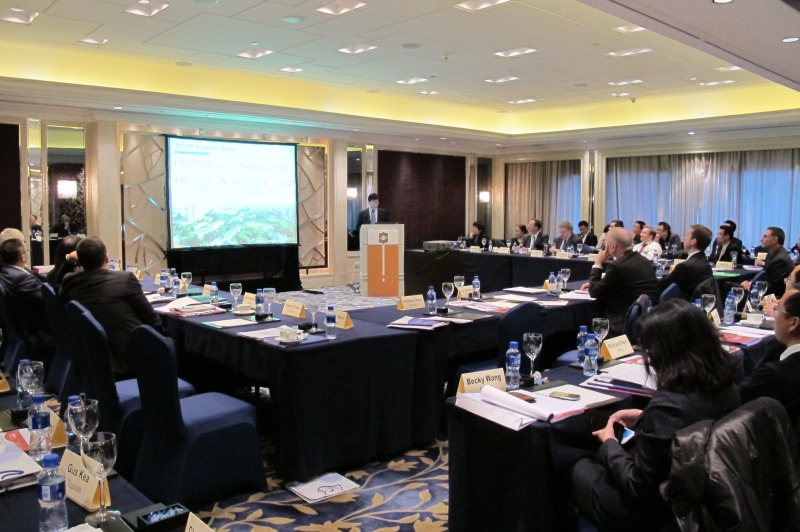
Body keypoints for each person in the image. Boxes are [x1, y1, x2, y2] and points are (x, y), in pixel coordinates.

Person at [570, 299, 740, 530]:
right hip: (705, 494)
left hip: (659, 512)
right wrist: (645, 416)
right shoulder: (728, 385)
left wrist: (609, 444)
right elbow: (693, 422)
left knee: (574, 464)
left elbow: (637, 485)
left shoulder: (669, 405)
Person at [61, 236, 163, 377]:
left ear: (80, 261)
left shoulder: (69, 281)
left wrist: (68, 260)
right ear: (106, 258)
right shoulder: (125, 279)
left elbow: (56, 281)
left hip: (91, 354)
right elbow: (153, 321)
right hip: (129, 353)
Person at [581, 228, 659, 336]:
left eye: (605, 244)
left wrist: (598, 263)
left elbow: (594, 292)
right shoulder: (642, 260)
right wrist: (598, 284)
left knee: (583, 322)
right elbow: (619, 284)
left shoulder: (618, 266)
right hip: (646, 319)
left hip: (622, 322)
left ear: (613, 247)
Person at [739, 291, 800, 421]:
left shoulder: (774, 374)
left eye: (777, 310)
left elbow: (738, 399)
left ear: (793, 323)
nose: (774, 316)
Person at [0, 238, 51, 346]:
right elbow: (48, 300)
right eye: (27, 250)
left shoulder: (6, 272)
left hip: (19, 327)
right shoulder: (21, 279)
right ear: (23, 257)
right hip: (38, 333)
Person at [658, 224, 713, 299]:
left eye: (687, 235)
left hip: (682, 303)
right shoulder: (705, 262)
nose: (684, 238)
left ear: (693, 242)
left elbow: (662, 286)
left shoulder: (685, 266)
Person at [742, 226, 793, 299]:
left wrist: (751, 286)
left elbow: (772, 286)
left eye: (765, 236)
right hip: (765, 292)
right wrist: (751, 283)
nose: (761, 239)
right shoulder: (772, 253)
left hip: (773, 298)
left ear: (774, 240)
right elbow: (764, 277)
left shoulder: (780, 260)